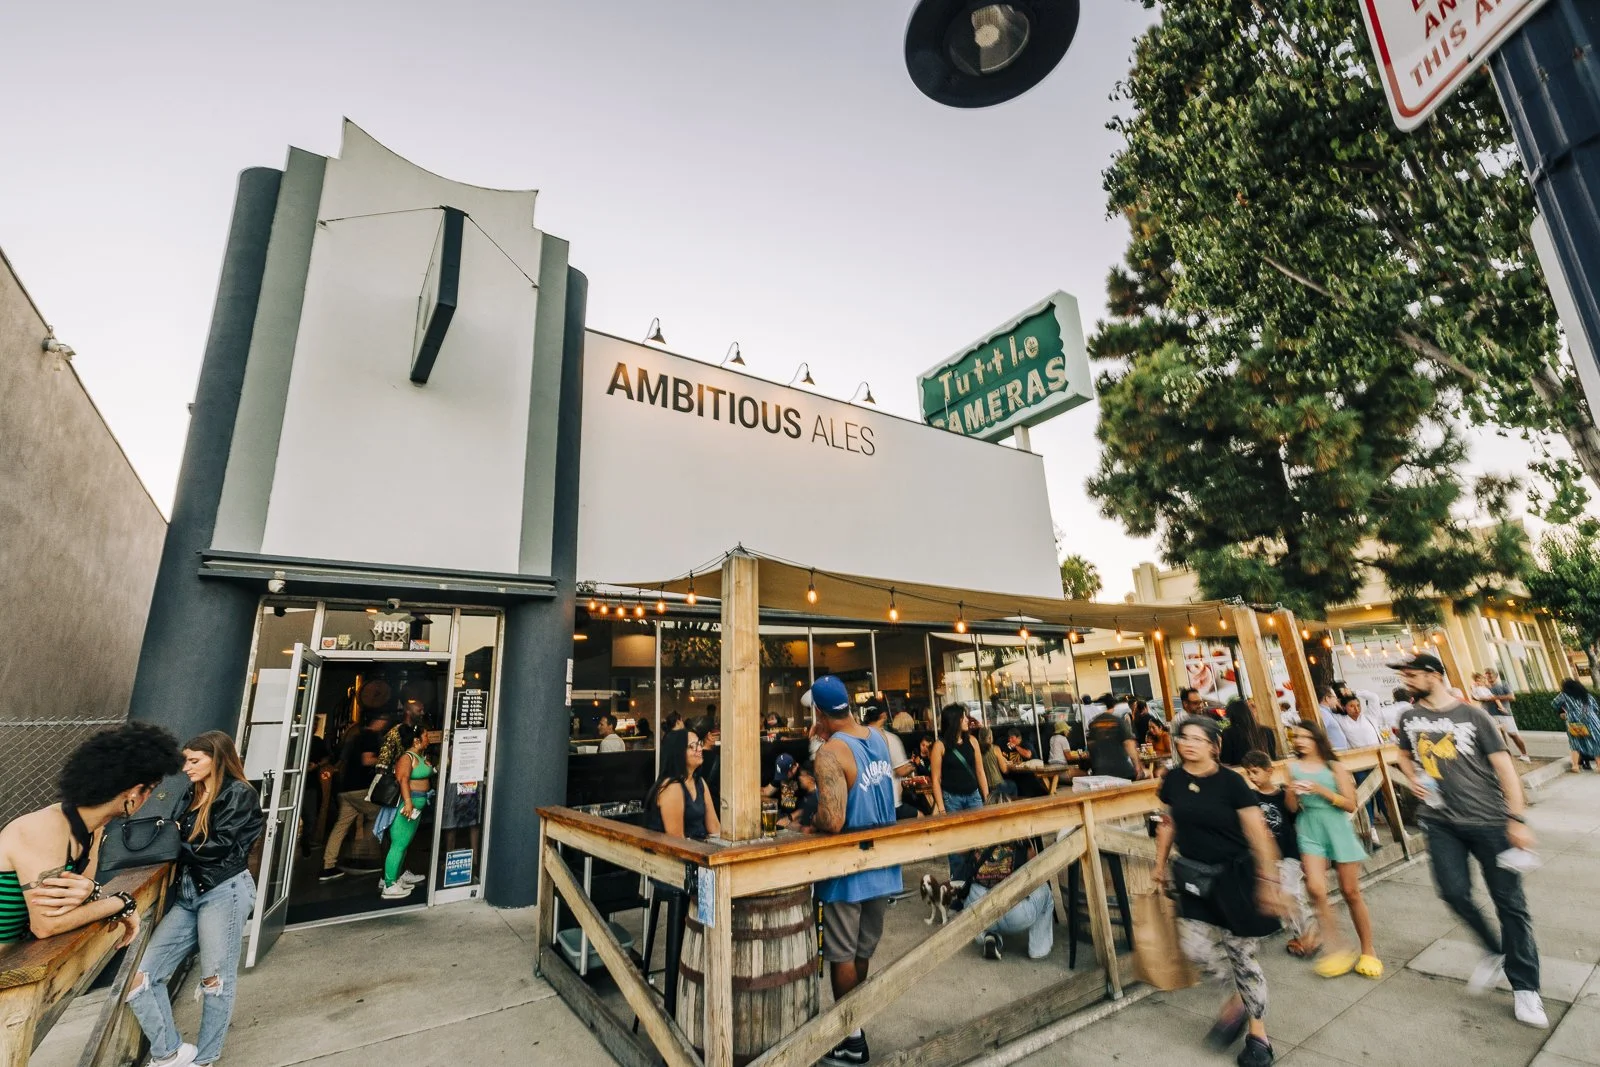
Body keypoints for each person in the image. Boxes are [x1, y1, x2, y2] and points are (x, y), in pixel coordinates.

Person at [1392, 652, 1546, 1028]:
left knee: (1510, 904)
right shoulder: (1409, 717)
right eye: (1404, 675)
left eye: (1412, 674)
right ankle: (1494, 951)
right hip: (1440, 822)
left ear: (1434, 675)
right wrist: (1411, 776)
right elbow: (1402, 753)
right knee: (1453, 892)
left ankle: (1526, 987)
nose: (1406, 679)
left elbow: (1505, 768)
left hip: (1489, 822)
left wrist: (1516, 818)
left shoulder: (1474, 715)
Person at [128, 732, 264, 1067]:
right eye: (185, 761)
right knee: (141, 976)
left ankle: (204, 1059)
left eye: (194, 760)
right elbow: (179, 836)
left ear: (217, 757)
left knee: (214, 981)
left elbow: (217, 848)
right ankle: (169, 1053)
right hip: (189, 893)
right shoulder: (192, 792)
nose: (186, 767)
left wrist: (172, 843)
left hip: (224, 892)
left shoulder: (238, 793)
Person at [1154, 716, 1282, 1067]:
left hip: (1234, 877)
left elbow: (1257, 832)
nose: (1188, 744)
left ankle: (1259, 1036)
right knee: (1195, 949)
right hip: (1194, 878)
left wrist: (1269, 880)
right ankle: (1237, 1000)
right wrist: (1159, 864)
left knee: (1241, 954)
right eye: (1184, 737)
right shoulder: (1173, 780)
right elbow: (1168, 822)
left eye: (1198, 739)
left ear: (1214, 746)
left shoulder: (1232, 783)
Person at [1, 723, 182, 946]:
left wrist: (92, 892)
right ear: (135, 792)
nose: (148, 798)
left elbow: (77, 904)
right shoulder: (44, 829)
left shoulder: (93, 830)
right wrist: (121, 903)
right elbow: (46, 925)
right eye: (151, 790)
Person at [810, 676, 900, 1067]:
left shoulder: (830, 753)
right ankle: (855, 1027)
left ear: (818, 712)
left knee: (842, 953)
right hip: (883, 860)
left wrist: (809, 821)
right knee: (863, 949)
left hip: (847, 867)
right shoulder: (877, 738)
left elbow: (832, 819)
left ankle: (849, 1039)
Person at [1286, 720, 1380, 979]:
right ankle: (1335, 947)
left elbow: (1350, 804)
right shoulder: (1292, 767)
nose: (1299, 741)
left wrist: (1321, 790)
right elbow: (1291, 808)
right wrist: (1292, 792)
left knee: (1351, 892)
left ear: (1317, 739)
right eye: (1296, 737)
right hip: (1309, 827)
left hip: (1336, 827)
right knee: (1315, 889)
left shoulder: (1333, 766)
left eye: (1305, 736)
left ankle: (1368, 949)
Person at [1239, 751, 1316, 957]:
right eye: (1248, 773)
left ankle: (1306, 935)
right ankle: (1302, 935)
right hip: (1269, 858)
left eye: (1255, 771)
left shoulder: (1284, 796)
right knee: (1283, 897)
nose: (1252, 777)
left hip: (1290, 853)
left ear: (1269, 771)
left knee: (1291, 894)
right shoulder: (1250, 798)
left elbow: (1298, 822)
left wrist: (1307, 855)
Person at [319, 712, 392, 881]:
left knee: (341, 826)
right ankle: (361, 856)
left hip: (346, 789)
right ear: (378, 720)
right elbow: (367, 760)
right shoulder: (370, 736)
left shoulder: (355, 737)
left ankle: (328, 865)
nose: (385, 724)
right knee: (380, 815)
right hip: (361, 788)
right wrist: (386, 760)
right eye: (384, 720)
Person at [967, 838, 1053, 961]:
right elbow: (1036, 868)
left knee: (972, 899)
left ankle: (989, 936)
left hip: (980, 909)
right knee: (1044, 888)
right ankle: (1038, 949)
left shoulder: (975, 834)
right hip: (1015, 913)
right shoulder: (1020, 838)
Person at [377, 724, 435, 899]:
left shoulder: (420, 756)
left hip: (417, 805)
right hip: (407, 806)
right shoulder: (406, 757)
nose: (428, 739)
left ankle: (396, 878)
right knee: (398, 844)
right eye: (426, 735)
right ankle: (389, 885)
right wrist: (408, 803)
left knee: (404, 843)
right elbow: (403, 780)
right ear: (416, 740)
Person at [931, 704, 989, 871]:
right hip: (952, 798)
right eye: (963, 717)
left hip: (973, 796)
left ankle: (981, 875)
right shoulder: (940, 745)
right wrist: (941, 808)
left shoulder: (972, 741)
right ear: (954, 721)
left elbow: (980, 771)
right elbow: (935, 779)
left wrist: (986, 796)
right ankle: (958, 880)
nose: (967, 720)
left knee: (980, 839)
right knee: (955, 843)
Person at [643, 730, 720, 840]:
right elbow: (677, 840)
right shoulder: (672, 787)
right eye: (692, 746)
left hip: (700, 846)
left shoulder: (699, 782)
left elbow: (715, 828)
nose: (699, 749)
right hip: (682, 848)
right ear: (678, 753)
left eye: (699, 744)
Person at [863, 705, 917, 819]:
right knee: (920, 817)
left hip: (867, 804)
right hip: (891, 802)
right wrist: (913, 765)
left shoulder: (858, 740)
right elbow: (901, 771)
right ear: (883, 716)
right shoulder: (891, 739)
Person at [1086, 703, 1143, 781]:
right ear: (1113, 707)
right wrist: (1137, 767)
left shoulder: (1094, 723)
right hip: (1122, 771)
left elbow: (1090, 745)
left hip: (1101, 772)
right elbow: (1128, 744)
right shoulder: (1118, 721)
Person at [1485, 669, 1532, 763]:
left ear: (1496, 675)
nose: (1489, 677)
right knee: (1499, 736)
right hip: (1491, 714)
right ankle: (1507, 756)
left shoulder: (1504, 684)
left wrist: (1495, 698)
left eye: (1490, 675)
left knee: (1513, 734)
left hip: (1505, 714)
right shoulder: (1485, 688)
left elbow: (1511, 697)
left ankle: (1525, 755)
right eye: (1487, 675)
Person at [1554, 678, 1600, 772]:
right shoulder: (1586, 695)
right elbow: (1596, 708)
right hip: (1591, 720)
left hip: (1573, 720)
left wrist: (1564, 712)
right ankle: (1599, 766)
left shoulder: (1564, 695)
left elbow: (1554, 703)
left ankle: (1575, 766)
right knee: (1595, 742)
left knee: (1575, 743)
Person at [1219, 699, 1274, 766]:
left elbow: (1226, 759)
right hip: (1266, 769)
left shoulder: (1228, 733)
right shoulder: (1267, 731)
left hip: (1241, 770)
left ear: (1231, 716)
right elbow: (1272, 755)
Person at [979, 728, 1019, 800]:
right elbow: (1004, 770)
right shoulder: (995, 748)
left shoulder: (978, 750)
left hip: (986, 787)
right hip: (997, 785)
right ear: (990, 737)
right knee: (1013, 785)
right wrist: (1010, 765)